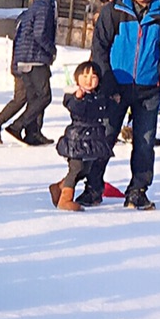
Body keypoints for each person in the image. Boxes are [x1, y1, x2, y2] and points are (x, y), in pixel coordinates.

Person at [89, 0, 160, 210]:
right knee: (105, 137)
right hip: (115, 87)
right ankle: (93, 187)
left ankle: (138, 190)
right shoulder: (113, 11)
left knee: (144, 141)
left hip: (148, 89)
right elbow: (100, 49)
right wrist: (105, 82)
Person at [0, 0, 59, 146]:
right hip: (35, 58)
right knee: (43, 96)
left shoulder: (30, 11)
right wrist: (51, 49)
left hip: (24, 59)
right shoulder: (44, 8)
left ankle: (33, 132)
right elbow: (40, 34)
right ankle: (17, 126)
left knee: (32, 97)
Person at [50, 61, 118, 209]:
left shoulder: (99, 96)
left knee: (85, 170)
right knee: (76, 167)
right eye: (85, 75)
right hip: (77, 139)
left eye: (94, 76)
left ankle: (60, 187)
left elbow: (105, 110)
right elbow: (74, 108)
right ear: (77, 78)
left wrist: (113, 102)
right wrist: (78, 98)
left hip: (93, 139)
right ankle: (65, 200)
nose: (89, 80)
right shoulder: (73, 95)